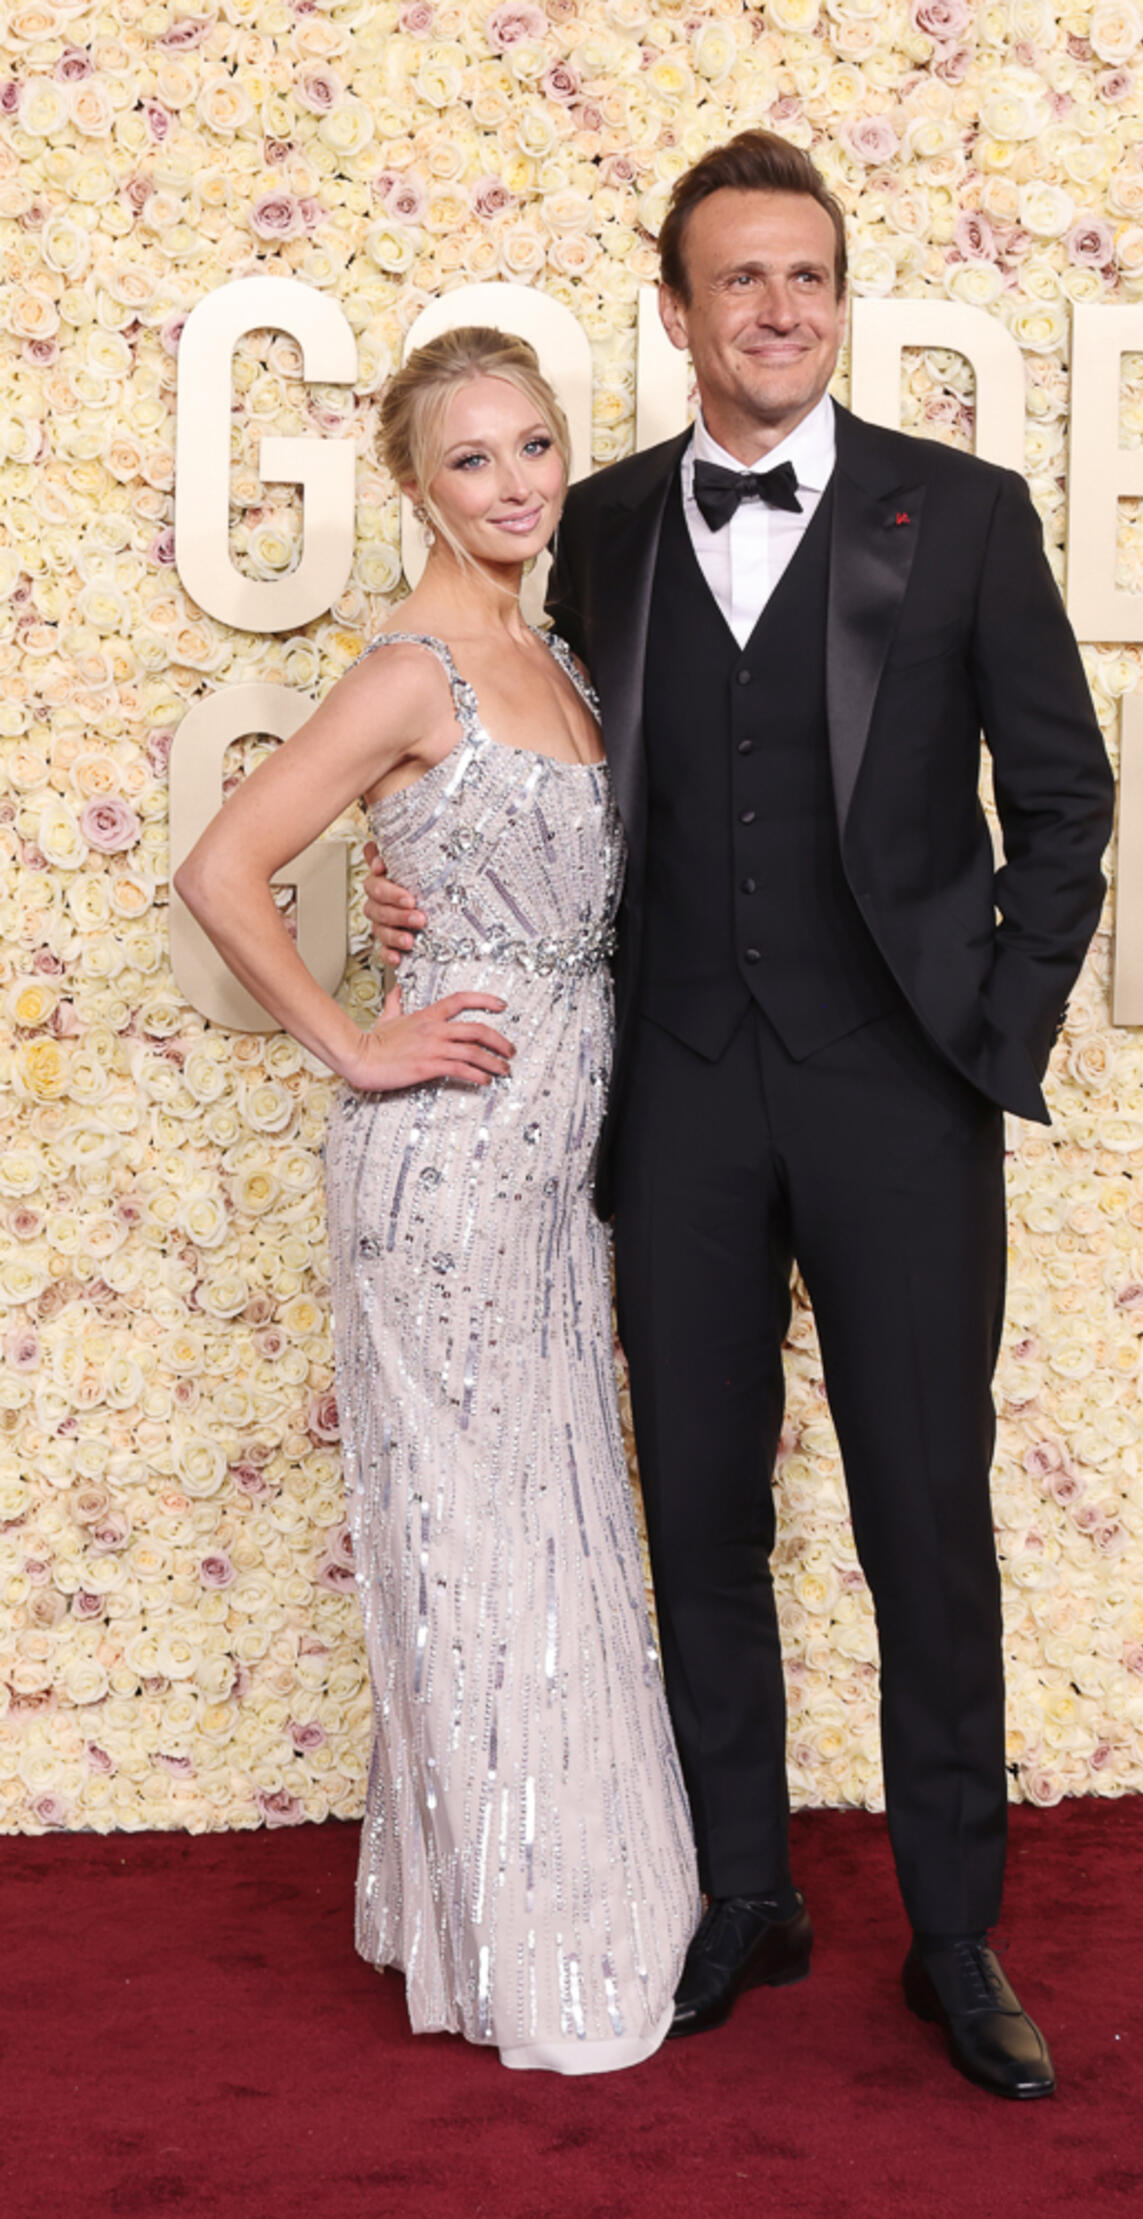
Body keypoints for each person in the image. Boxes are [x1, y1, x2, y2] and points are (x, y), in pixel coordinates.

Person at [367, 133, 1115, 2100]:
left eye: (806, 276)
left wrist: (989, 1029)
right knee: (695, 1513)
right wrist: (412, 890)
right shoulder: (595, 529)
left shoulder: (955, 516)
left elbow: (1061, 800)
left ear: (833, 300)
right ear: (678, 310)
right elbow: (508, 767)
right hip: (674, 1100)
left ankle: (952, 1938)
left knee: (919, 1525)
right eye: (737, 279)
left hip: (894, 1100)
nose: (774, 306)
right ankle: (739, 1891)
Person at [176, 328, 698, 2072]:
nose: (517, 484)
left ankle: (507, 1903)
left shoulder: (560, 655)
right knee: (476, 1533)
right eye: (473, 460)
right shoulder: (411, 670)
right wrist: (354, 1040)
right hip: (449, 1162)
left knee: (552, 1516)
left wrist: (416, 902)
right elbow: (222, 861)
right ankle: (519, 1945)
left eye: (536, 447)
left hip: (568, 1165)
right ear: (414, 487)